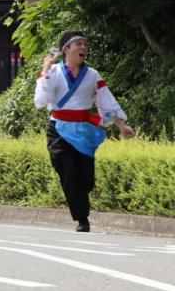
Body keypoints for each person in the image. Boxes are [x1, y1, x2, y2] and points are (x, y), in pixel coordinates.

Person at [34, 31, 133, 232]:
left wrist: (121, 126)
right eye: (78, 44)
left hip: (83, 130)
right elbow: (41, 102)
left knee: (86, 180)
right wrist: (45, 69)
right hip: (59, 130)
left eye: (84, 44)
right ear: (66, 50)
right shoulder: (53, 71)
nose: (83, 48)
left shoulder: (93, 75)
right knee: (69, 171)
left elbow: (105, 101)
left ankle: (80, 197)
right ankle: (82, 219)